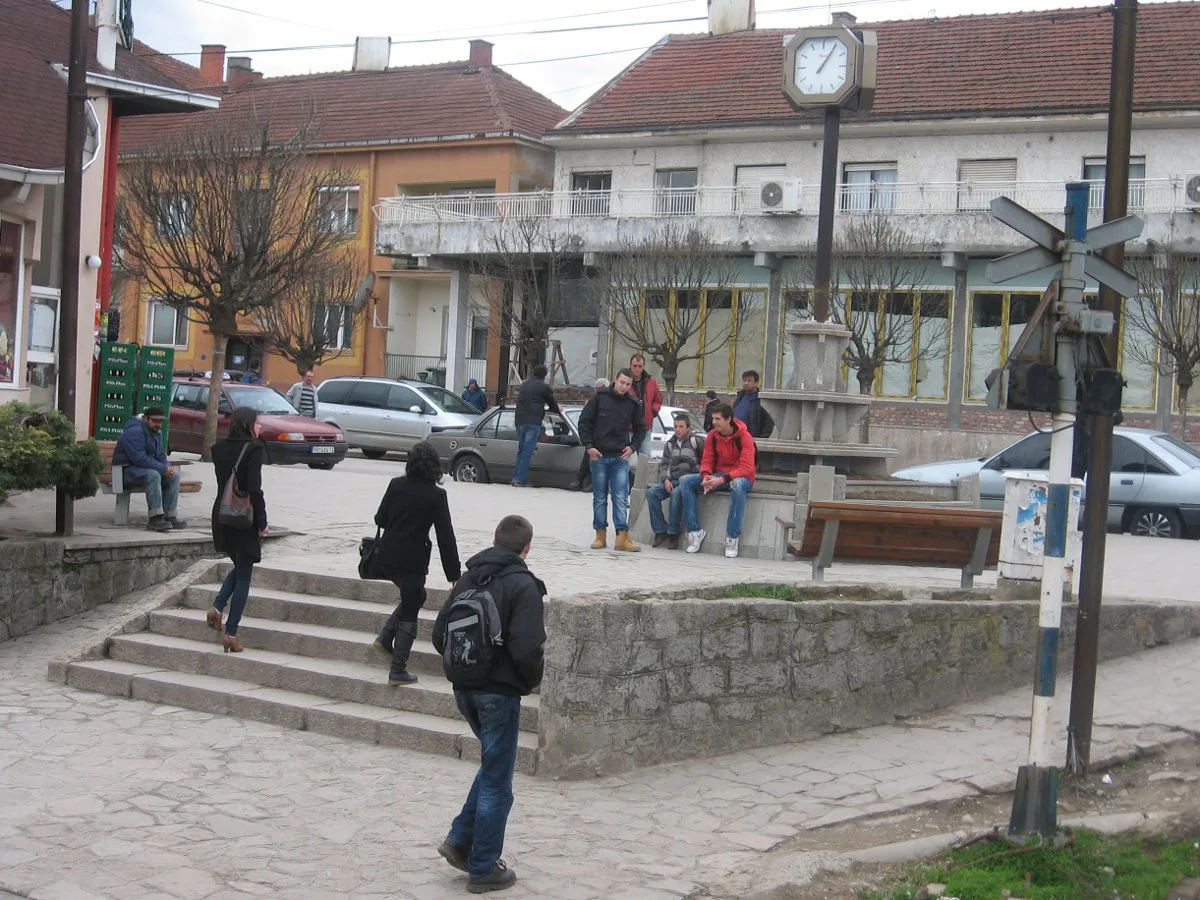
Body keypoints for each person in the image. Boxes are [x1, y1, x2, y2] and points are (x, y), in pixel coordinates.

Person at [432, 515, 545, 894]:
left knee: (493, 766)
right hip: (499, 693)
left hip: (464, 689)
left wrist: (468, 668)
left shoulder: (468, 579)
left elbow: (439, 635)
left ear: (494, 540)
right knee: (498, 780)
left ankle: (459, 841)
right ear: (527, 548)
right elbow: (527, 649)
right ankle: (483, 867)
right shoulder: (523, 585)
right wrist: (525, 682)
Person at [371, 441, 461, 685]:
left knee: (417, 596)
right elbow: (445, 536)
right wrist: (454, 574)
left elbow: (380, 518)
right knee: (411, 608)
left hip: (386, 557)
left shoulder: (395, 485)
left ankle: (385, 638)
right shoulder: (436, 495)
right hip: (412, 561)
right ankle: (397, 669)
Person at [206, 406, 268, 653]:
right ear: (247, 425)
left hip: (222, 515)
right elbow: (254, 489)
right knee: (244, 575)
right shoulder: (253, 449)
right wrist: (262, 521)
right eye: (257, 422)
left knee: (241, 565)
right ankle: (230, 634)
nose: (259, 426)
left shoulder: (218, 449)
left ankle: (217, 608)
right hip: (243, 517)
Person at [577, 368, 645, 552]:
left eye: (628, 384)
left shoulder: (633, 403)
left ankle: (622, 537)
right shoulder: (599, 398)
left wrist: (633, 447)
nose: (624, 387)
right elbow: (584, 422)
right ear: (615, 379)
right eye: (622, 382)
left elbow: (641, 429)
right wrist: (588, 446)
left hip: (620, 457)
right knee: (599, 497)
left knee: (621, 497)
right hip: (599, 455)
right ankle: (600, 535)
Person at [678, 403, 756, 559]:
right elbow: (707, 460)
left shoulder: (745, 437)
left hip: (742, 478)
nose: (714, 422)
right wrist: (706, 477)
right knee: (685, 481)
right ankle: (695, 531)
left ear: (728, 419)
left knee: (737, 485)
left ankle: (732, 537)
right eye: (713, 418)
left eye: (718, 419)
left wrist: (721, 479)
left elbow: (747, 467)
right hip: (719, 476)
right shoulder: (712, 436)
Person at [113, 406, 187, 533]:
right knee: (154, 475)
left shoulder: (156, 432)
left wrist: (167, 467)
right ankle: (155, 518)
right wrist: (162, 469)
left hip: (141, 470)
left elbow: (160, 455)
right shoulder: (134, 431)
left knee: (174, 476)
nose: (158, 424)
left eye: (160, 421)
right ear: (146, 419)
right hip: (125, 471)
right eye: (154, 420)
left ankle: (169, 516)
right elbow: (139, 458)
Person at [646, 412, 705, 549]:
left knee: (676, 494)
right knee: (652, 493)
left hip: (688, 481)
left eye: (681, 426)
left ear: (688, 428)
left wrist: (696, 470)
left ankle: (673, 533)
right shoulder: (670, 444)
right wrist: (665, 479)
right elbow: (665, 464)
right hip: (672, 479)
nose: (677, 429)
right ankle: (660, 531)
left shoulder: (696, 442)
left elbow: (706, 462)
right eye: (675, 426)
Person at [512, 364, 560, 488]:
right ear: (544, 375)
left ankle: (515, 477)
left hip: (520, 420)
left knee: (521, 450)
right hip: (533, 421)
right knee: (528, 451)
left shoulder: (524, 385)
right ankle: (520, 480)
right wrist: (557, 409)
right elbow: (553, 404)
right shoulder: (543, 387)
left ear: (533, 372)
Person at [568, 377, 610, 492]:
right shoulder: (593, 401)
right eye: (596, 389)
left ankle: (591, 482)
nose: (597, 391)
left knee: (596, 459)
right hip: (593, 434)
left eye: (599, 388)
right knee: (588, 457)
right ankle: (581, 480)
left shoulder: (609, 401)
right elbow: (585, 419)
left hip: (604, 435)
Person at [629, 353, 663, 456]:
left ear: (644, 366)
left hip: (645, 426)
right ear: (630, 365)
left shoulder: (651, 382)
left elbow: (658, 400)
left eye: (640, 366)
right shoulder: (624, 380)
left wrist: (653, 411)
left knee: (646, 457)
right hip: (627, 426)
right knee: (627, 458)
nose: (637, 369)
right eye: (635, 366)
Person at [732, 370, 775, 439]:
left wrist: (761, 439)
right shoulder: (740, 396)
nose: (746, 383)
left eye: (749, 380)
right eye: (744, 380)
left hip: (751, 438)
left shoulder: (761, 400)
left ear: (756, 383)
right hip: (735, 436)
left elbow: (769, 422)